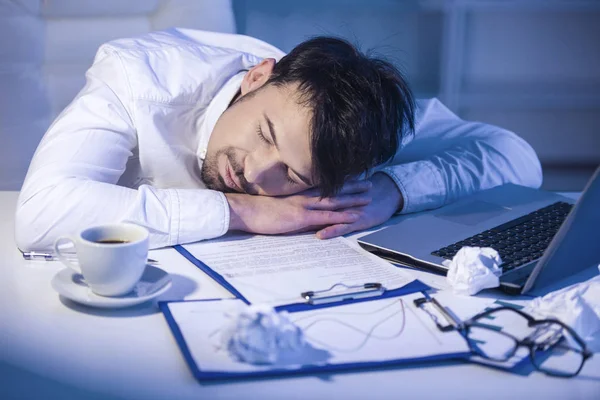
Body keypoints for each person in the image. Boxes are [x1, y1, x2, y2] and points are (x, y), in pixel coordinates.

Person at [15, 28, 542, 251]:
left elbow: (515, 157)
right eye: (265, 133)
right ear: (258, 77)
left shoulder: (347, 126)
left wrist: (391, 190)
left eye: (293, 176)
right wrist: (242, 213)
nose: (257, 172)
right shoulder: (137, 78)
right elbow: (41, 213)